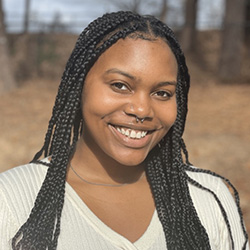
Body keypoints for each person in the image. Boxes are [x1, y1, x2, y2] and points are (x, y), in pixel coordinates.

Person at [0, 11, 248, 250]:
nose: (141, 109)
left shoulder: (209, 199)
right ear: (79, 88)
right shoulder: (11, 201)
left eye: (162, 93)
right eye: (120, 85)